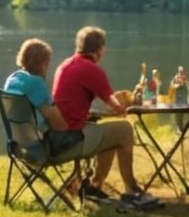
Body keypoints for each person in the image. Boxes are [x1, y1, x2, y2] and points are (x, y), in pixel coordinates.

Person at [50, 25, 159, 207]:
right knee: (124, 130)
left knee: (110, 133)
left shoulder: (66, 64)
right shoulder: (91, 70)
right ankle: (131, 190)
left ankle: (95, 185)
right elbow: (118, 108)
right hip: (72, 138)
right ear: (100, 49)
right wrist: (130, 102)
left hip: (57, 133)